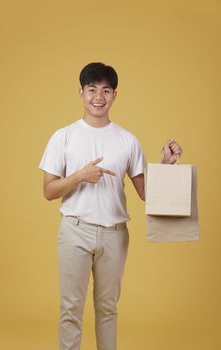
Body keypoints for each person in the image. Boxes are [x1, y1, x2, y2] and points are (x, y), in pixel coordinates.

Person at [39, 62, 182, 350]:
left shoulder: (127, 140)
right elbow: (48, 190)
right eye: (92, 89)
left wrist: (166, 164)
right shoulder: (63, 136)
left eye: (106, 90)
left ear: (115, 95)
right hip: (74, 231)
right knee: (71, 309)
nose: (98, 96)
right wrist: (80, 176)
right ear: (80, 92)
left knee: (108, 309)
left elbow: (146, 194)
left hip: (115, 234)